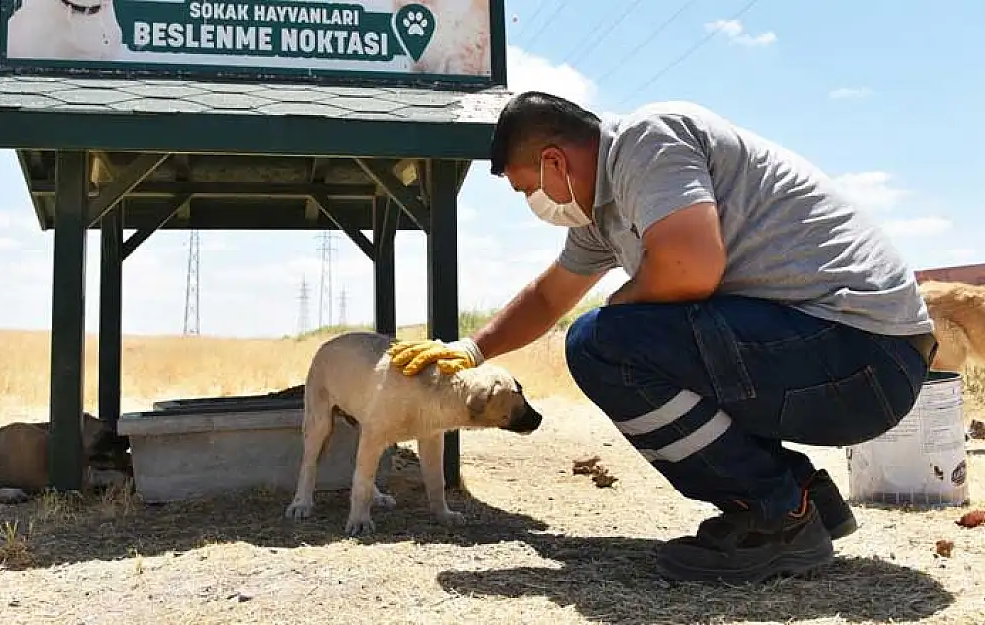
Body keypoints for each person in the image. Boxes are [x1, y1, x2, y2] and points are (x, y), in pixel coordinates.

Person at [386, 91, 937, 584]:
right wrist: (472, 349)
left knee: (603, 343)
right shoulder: (602, 213)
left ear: (555, 161)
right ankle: (804, 496)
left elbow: (689, 269)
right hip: (849, 354)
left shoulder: (646, 142)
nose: (535, 203)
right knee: (619, 336)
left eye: (529, 188)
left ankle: (778, 515)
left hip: (859, 351)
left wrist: (620, 305)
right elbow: (547, 296)